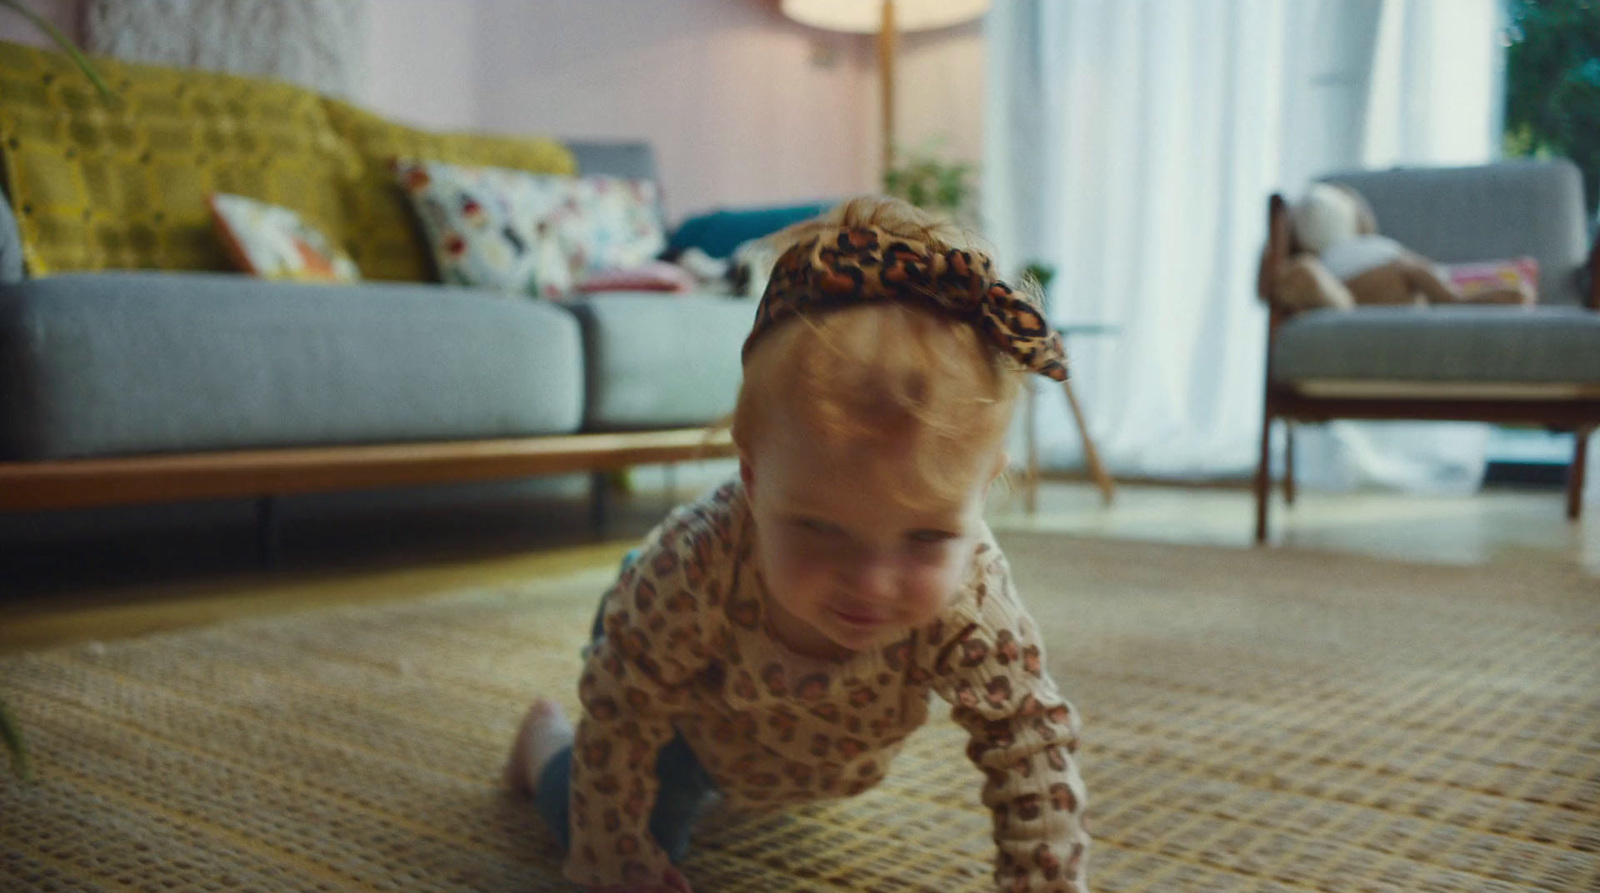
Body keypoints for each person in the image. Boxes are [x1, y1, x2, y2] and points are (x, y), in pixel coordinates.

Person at [505, 196, 1090, 893]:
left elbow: (1026, 738)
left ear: (985, 488)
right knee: (627, 830)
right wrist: (610, 853)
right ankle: (541, 745)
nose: (871, 583)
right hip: (687, 698)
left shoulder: (973, 596)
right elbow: (625, 708)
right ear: (751, 477)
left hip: (787, 739)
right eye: (821, 528)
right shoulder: (695, 566)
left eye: (927, 536)